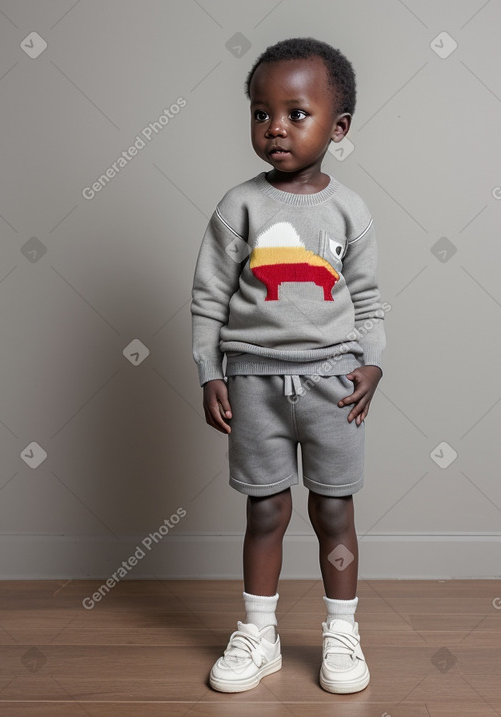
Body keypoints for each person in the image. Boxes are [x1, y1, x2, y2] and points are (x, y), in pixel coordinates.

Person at [190, 36, 386, 695]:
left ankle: (341, 629)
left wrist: (373, 363)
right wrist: (210, 371)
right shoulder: (238, 206)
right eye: (260, 112)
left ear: (339, 126)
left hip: (334, 385)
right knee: (265, 510)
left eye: (296, 113)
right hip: (253, 382)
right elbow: (208, 297)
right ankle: (259, 630)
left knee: (335, 511)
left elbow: (368, 299)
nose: (275, 126)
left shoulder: (350, 210)